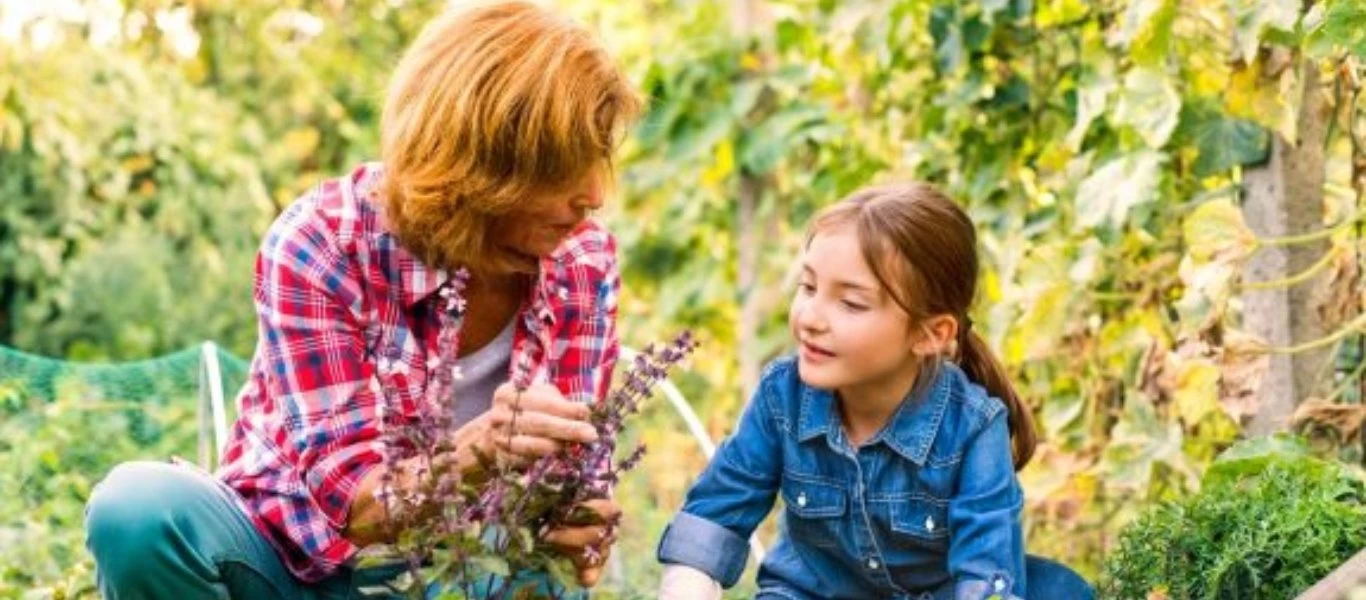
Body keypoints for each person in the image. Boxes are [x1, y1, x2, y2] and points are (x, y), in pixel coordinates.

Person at [83, 2, 640, 598]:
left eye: (598, 158)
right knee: (139, 510)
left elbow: (572, 480)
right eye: (564, 165)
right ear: (484, 159)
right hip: (296, 571)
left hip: (460, 575)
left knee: (536, 575)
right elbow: (353, 510)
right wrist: (482, 450)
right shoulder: (322, 244)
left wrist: (575, 525)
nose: (595, 194)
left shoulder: (582, 260)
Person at [655, 182, 1094, 599]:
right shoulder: (781, 397)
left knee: (1057, 590)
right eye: (808, 287)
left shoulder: (974, 427)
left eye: (851, 303)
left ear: (929, 333)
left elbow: (984, 569)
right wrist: (687, 588)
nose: (811, 317)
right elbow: (717, 511)